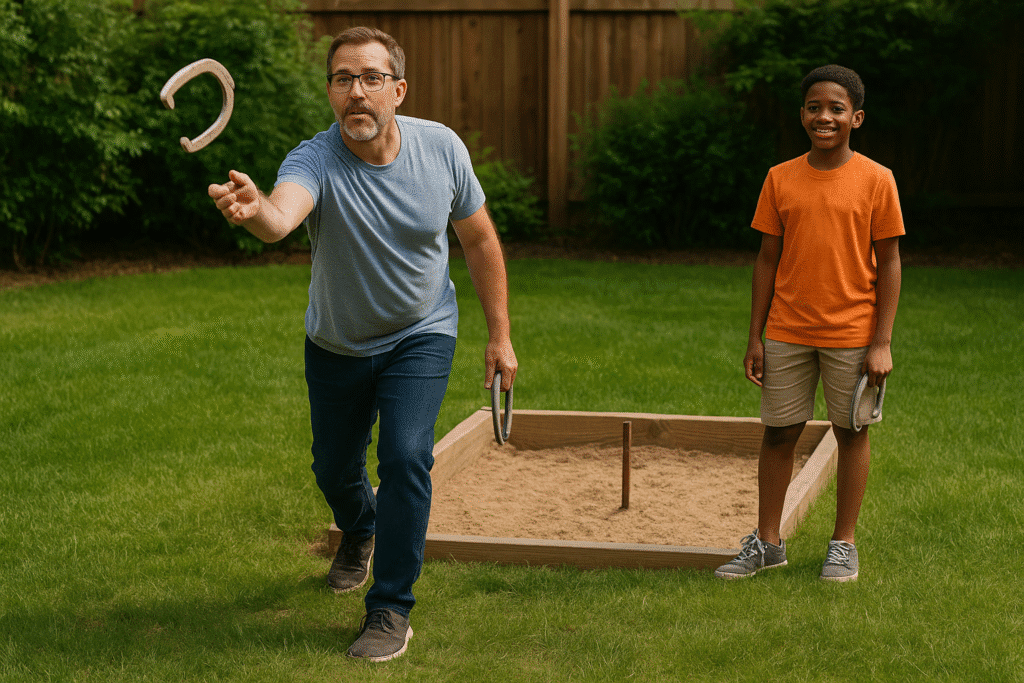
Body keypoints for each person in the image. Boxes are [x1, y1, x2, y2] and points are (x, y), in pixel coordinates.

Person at [208, 27, 517, 661]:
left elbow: (480, 241)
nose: (357, 92)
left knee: (406, 458)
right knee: (332, 467)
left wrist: (500, 335)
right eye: (344, 78)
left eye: (372, 78)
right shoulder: (314, 158)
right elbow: (282, 217)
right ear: (329, 92)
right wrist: (254, 207)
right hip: (338, 342)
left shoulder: (442, 150)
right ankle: (359, 527)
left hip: (421, 331)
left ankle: (390, 610)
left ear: (398, 91)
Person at [714, 65, 903, 583]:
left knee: (852, 432)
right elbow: (766, 260)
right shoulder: (780, 178)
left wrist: (881, 342)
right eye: (815, 107)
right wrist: (755, 336)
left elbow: (889, 263)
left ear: (856, 118)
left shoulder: (876, 179)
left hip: (851, 333)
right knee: (778, 433)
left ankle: (843, 544)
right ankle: (767, 544)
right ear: (802, 115)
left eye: (836, 109)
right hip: (787, 331)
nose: (825, 116)